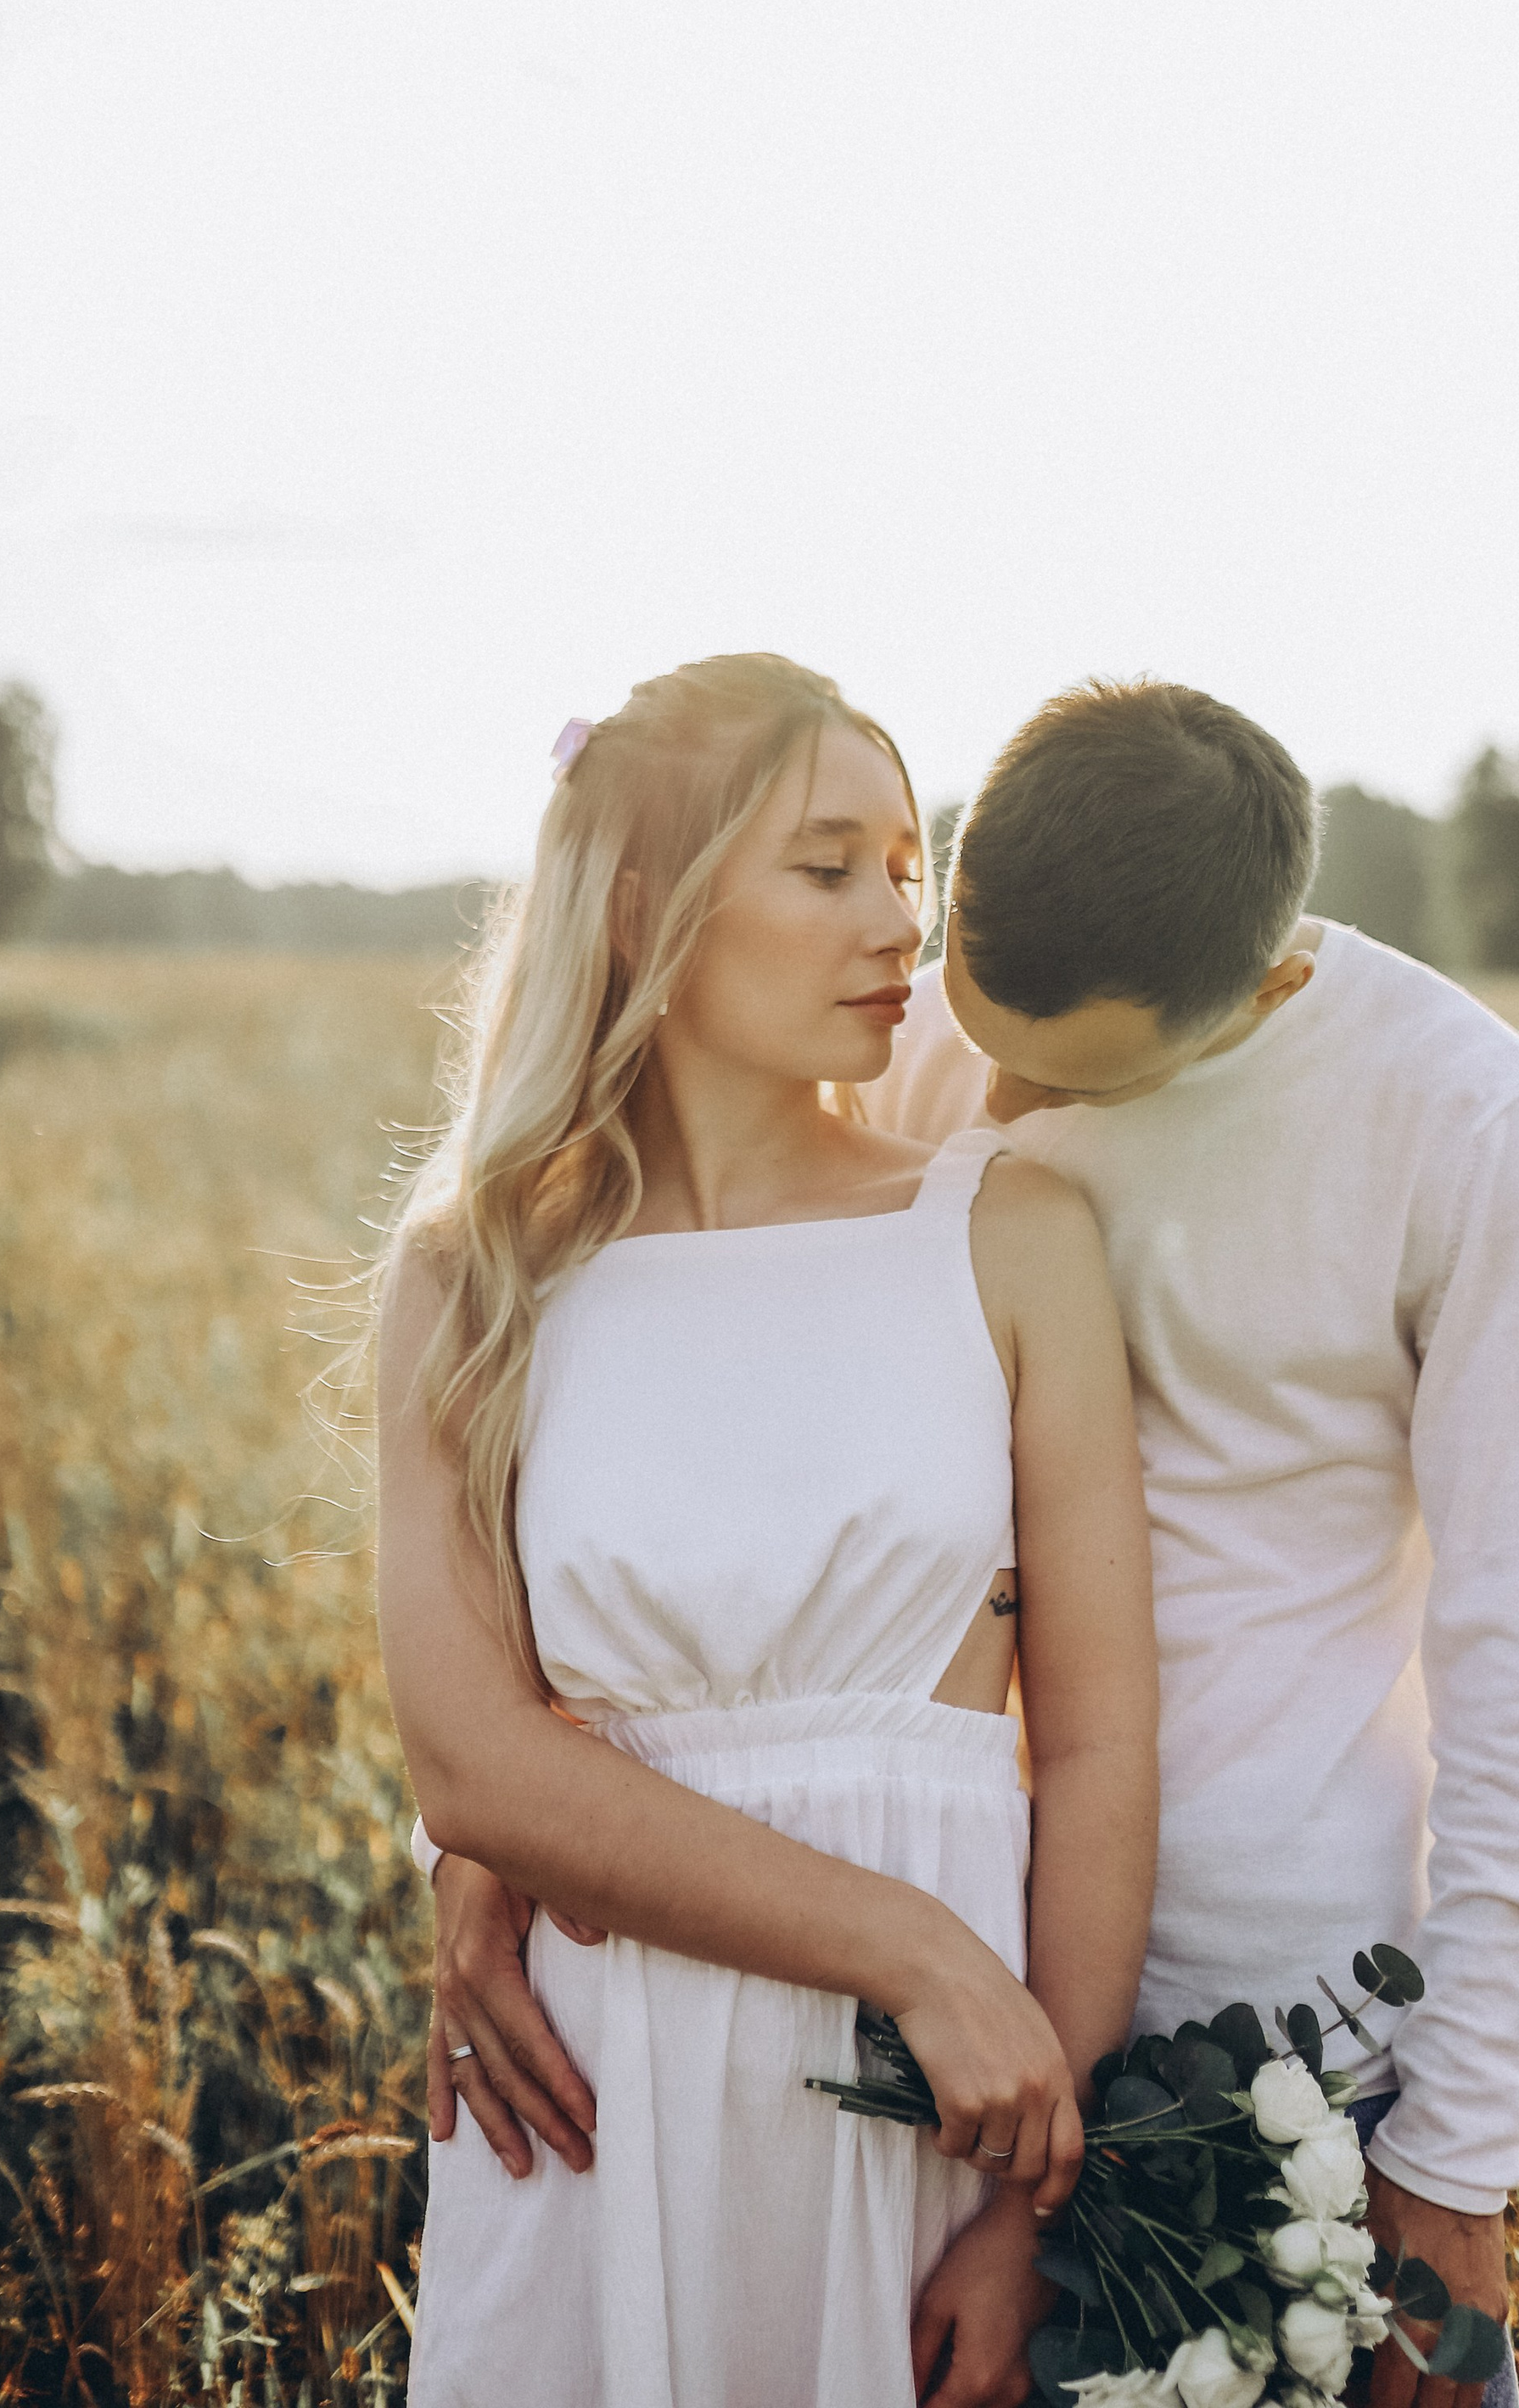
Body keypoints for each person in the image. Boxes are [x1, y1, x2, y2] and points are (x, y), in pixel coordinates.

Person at [430, 675, 1519, 2408]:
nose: (968, 1076)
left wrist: (1454, 2168)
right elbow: (686, 1437)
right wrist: (512, 1824)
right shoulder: (896, 1013)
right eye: (957, 997)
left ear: (1248, 992)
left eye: (1047, 1070)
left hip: (1284, 2026)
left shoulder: (1462, 1125)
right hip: (936, 1995)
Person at [378, 652, 1157, 2408]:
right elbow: (474, 1771)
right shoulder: (475, 1279)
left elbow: (1099, 1745)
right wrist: (913, 1949)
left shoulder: (1007, 1232)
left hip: (939, 2118)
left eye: (907, 863)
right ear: (643, 906)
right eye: (828, 868)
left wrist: (1037, 2206)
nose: (900, 924)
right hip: (597, 2101)